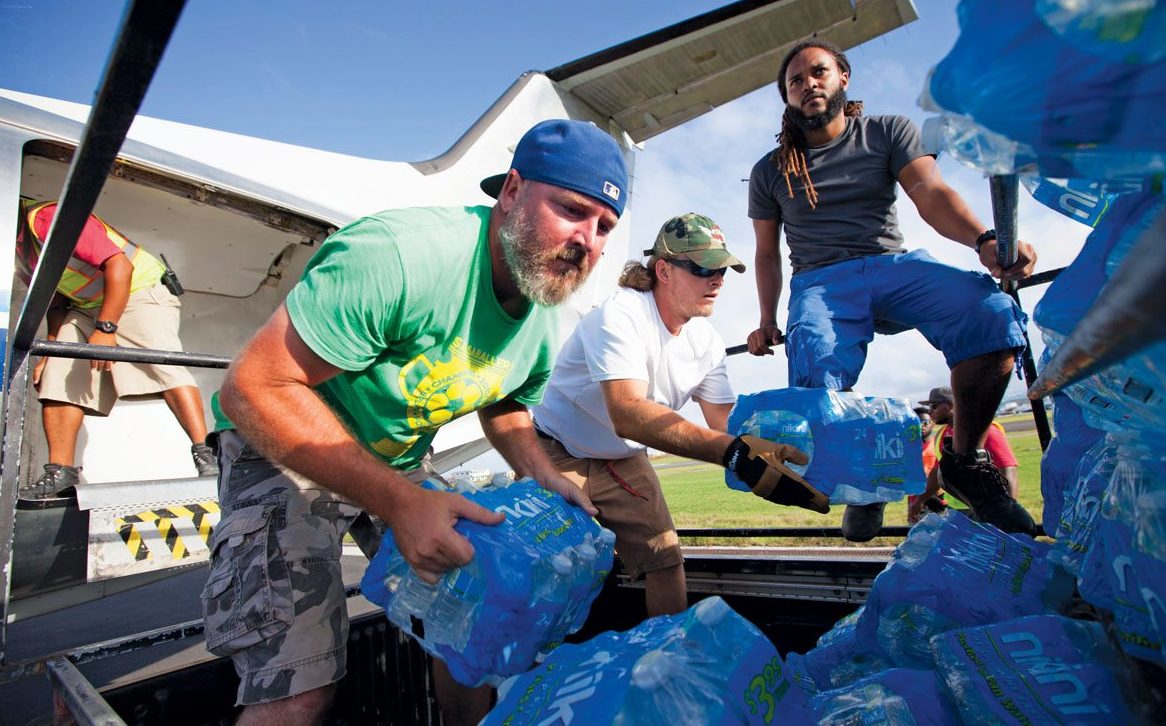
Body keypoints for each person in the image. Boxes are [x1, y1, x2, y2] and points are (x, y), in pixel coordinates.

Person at [204, 119, 632, 726]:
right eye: (571, 210)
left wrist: (539, 471)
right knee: (299, 684)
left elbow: (504, 402)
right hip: (282, 440)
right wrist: (404, 505)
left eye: (605, 227)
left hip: (395, 457)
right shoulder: (401, 257)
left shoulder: (541, 304)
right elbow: (254, 386)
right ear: (511, 191)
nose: (586, 239)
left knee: (473, 613)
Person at [745, 39, 1038, 540]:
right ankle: (868, 483)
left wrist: (983, 240)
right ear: (787, 98)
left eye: (818, 72)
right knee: (814, 368)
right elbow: (767, 253)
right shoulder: (770, 170)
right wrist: (767, 318)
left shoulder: (886, 132)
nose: (808, 84)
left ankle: (964, 461)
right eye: (795, 81)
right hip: (820, 279)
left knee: (989, 313)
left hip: (890, 265)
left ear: (842, 78)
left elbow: (930, 192)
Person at [531, 213, 829, 618]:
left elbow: (725, 423)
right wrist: (735, 455)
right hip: (558, 453)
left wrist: (800, 447)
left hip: (623, 458)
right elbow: (629, 413)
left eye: (722, 270)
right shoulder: (620, 316)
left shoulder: (706, 343)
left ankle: (669, 661)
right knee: (547, 572)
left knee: (666, 557)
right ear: (663, 270)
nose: (718, 280)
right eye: (704, 268)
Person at [16, 200, 216, 499]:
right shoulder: (16, 249)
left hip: (139, 288)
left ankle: (208, 456)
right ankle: (61, 472)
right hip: (87, 306)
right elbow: (56, 302)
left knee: (164, 364)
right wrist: (51, 348)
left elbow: (120, 264)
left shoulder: (46, 218)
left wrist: (105, 328)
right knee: (56, 372)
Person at [909, 385, 1020, 523]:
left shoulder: (983, 431)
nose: (931, 412)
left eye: (935, 406)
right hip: (957, 511)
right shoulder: (943, 434)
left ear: (951, 405)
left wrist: (1009, 510)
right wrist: (921, 500)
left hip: (985, 510)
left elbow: (1007, 467)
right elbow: (938, 471)